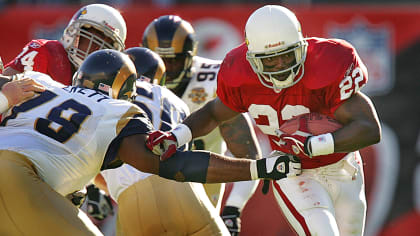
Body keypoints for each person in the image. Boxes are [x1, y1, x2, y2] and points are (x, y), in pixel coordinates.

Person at [0, 49, 301, 236]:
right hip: (19, 177)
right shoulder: (116, 110)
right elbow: (171, 164)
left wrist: (5, 95)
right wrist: (257, 167)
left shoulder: (40, 82)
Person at [146, 5, 382, 236]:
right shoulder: (239, 73)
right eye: (270, 60)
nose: (281, 66)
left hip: (343, 165)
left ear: (301, 46)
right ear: (253, 59)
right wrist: (177, 136)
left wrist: (314, 144)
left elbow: (369, 128)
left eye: (287, 55)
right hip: (293, 169)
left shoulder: (328, 61)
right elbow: (214, 113)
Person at [95, 46, 230, 235]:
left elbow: (91, 164)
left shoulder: (106, 102)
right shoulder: (176, 101)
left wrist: (101, 188)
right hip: (186, 190)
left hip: (134, 200)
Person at [142, 15, 261, 221]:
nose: (166, 69)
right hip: (148, 187)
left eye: (173, 61)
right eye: (160, 60)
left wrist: (233, 209)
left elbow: (248, 156)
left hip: (203, 189)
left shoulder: (214, 79)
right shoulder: (133, 80)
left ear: (190, 57)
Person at [2, 3, 127, 86]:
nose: (96, 49)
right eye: (92, 40)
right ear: (74, 34)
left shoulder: (108, 82)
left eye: (105, 47)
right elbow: (5, 87)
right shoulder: (47, 52)